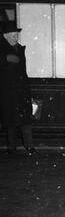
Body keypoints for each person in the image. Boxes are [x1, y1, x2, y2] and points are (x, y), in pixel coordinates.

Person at [0, 21, 35, 155]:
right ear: (6, 36)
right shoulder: (2, 48)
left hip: (22, 90)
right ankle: (12, 147)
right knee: (11, 119)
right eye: (13, 36)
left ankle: (30, 146)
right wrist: (5, 58)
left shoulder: (20, 48)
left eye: (16, 35)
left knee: (25, 118)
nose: (16, 38)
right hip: (8, 91)